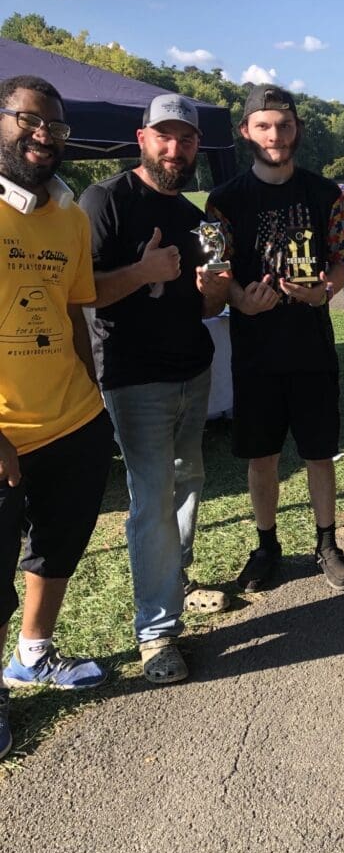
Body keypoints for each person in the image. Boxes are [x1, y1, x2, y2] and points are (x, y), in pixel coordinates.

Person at [79, 95, 231, 684]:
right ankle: (156, 633)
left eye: (187, 139)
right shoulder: (106, 200)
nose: (176, 149)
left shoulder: (198, 219)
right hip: (133, 377)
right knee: (152, 497)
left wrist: (213, 286)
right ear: (142, 137)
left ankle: (174, 583)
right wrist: (143, 273)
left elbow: (209, 306)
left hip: (193, 370)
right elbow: (83, 289)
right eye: (165, 137)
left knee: (189, 480)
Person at [206, 85, 344, 592]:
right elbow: (216, 274)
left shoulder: (324, 193)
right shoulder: (225, 200)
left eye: (286, 125)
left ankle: (327, 542)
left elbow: (340, 261)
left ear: (298, 129)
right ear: (246, 131)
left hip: (311, 345)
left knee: (319, 453)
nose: (276, 135)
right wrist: (240, 300)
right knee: (262, 457)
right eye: (265, 125)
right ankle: (267, 545)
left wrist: (325, 293)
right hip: (255, 353)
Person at [0, 75, 113, 755]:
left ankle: (33, 653)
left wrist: (95, 401)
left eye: (56, 127)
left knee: (58, 548)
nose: (44, 135)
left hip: (74, 422)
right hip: (5, 432)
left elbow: (74, 311)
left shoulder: (69, 217)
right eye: (29, 120)